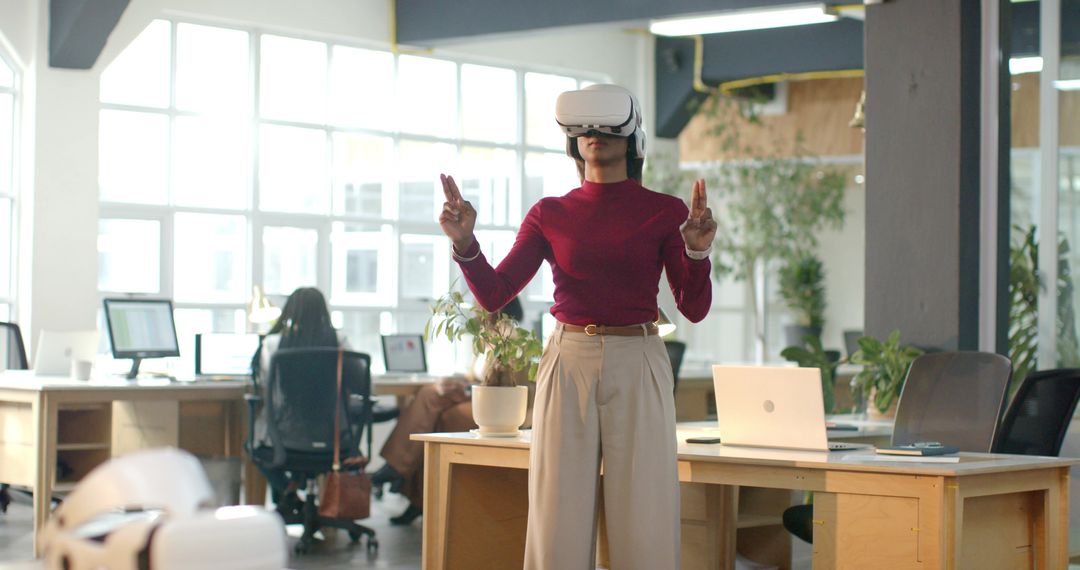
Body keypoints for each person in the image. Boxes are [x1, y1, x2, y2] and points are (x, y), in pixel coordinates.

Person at [438, 83, 716, 569]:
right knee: (556, 513)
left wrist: (697, 251)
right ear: (572, 140)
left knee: (646, 513)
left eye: (604, 127)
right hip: (568, 359)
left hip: (639, 357)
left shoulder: (666, 211)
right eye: (583, 129)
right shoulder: (550, 213)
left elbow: (693, 308)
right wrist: (466, 244)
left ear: (631, 140)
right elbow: (496, 293)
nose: (593, 135)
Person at [371, 297, 528, 526]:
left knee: (434, 403)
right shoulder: (486, 335)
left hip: (498, 406)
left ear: (497, 305)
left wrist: (463, 389)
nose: (473, 309)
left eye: (478, 302)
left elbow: (502, 385)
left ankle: (399, 472)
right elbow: (475, 375)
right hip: (479, 396)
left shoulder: (508, 338)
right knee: (432, 404)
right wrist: (459, 382)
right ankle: (412, 490)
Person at [249, 287, 364, 514]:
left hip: (285, 439)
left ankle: (287, 492)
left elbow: (264, 385)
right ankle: (294, 496)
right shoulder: (339, 342)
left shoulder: (273, 345)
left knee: (253, 447)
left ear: (290, 311)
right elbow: (364, 385)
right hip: (334, 441)